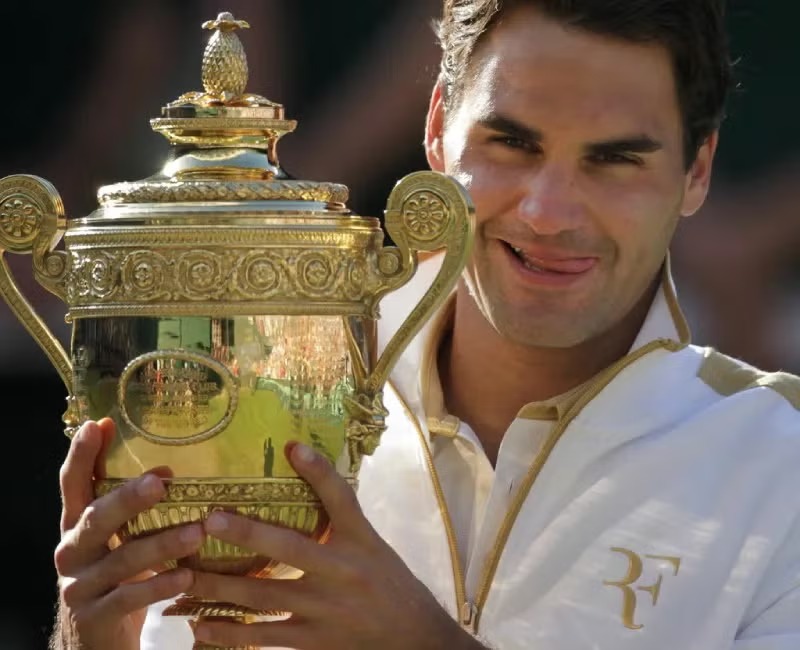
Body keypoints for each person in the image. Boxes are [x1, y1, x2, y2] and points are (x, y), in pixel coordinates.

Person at [51, 1, 800, 648]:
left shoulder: (778, 465)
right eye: (512, 144)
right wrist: (91, 639)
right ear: (438, 127)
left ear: (698, 170)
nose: (547, 211)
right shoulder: (248, 390)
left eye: (612, 162)